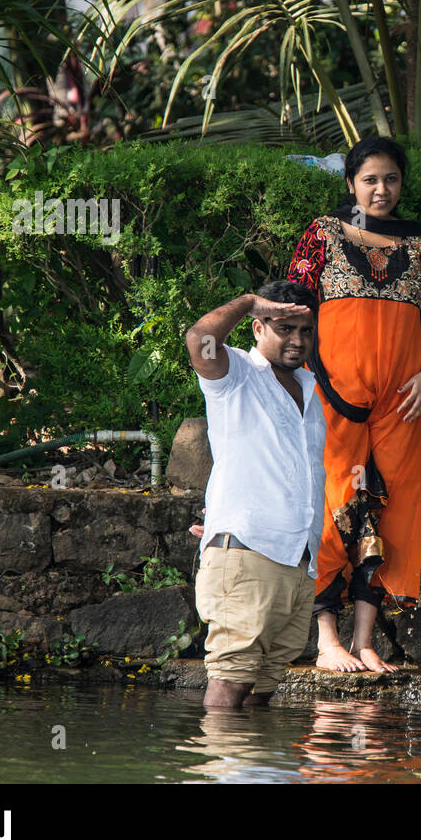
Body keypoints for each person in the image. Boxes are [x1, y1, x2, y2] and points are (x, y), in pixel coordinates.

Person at [286, 136, 421, 671]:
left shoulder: (420, 244)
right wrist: (318, 378)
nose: (382, 190)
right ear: (351, 184)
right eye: (370, 179)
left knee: (395, 510)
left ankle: (364, 641)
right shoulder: (323, 233)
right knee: (336, 505)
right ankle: (326, 639)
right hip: (334, 395)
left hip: (406, 401)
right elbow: (295, 308)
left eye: (392, 179)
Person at [184, 281, 325, 709]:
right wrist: (246, 301)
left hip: (298, 559)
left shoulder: (311, 387)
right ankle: (223, 766)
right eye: (285, 328)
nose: (297, 340)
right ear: (258, 328)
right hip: (248, 552)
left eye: (305, 330)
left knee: (260, 692)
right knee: (230, 683)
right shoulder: (237, 375)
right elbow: (198, 340)